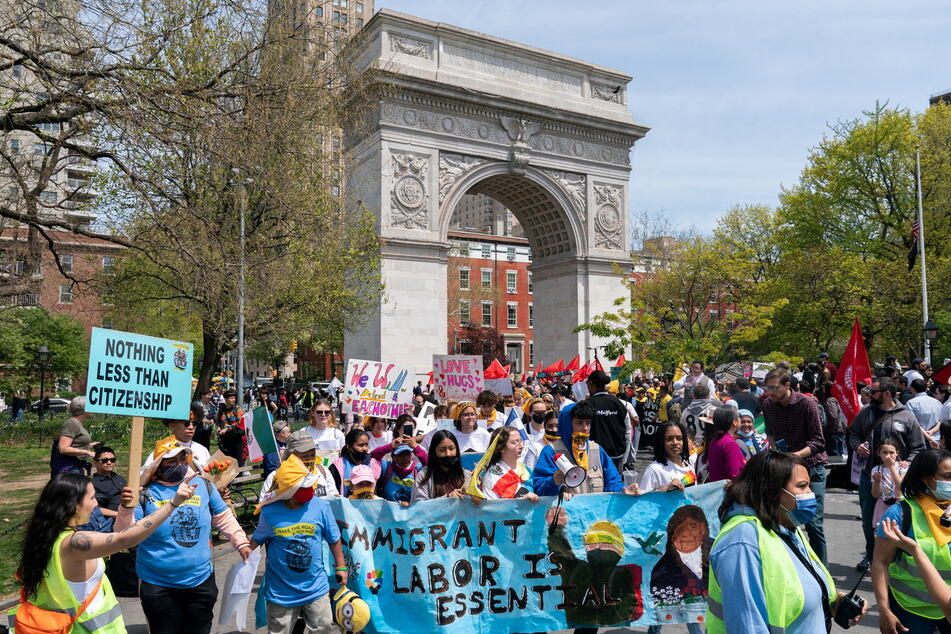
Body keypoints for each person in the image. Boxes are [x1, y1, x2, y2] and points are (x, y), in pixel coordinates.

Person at [14, 472, 202, 633]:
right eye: (91, 498)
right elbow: (124, 539)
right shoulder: (74, 543)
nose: (96, 504)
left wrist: (125, 509)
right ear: (74, 504)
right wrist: (173, 504)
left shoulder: (45, 538)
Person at [707, 451, 866, 633]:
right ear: (771, 491)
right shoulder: (742, 542)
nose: (810, 493)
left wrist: (835, 602)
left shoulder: (786, 524)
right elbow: (748, 625)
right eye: (802, 486)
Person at [114, 438, 252, 634]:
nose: (179, 464)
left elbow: (224, 517)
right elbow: (125, 536)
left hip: (200, 581)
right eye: (171, 461)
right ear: (158, 465)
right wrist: (126, 509)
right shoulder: (144, 494)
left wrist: (242, 543)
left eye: (182, 459)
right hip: (158, 584)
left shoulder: (203, 485)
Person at [251, 455, 347, 634]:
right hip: (281, 592)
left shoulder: (320, 507)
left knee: (324, 627)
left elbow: (334, 538)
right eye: (303, 486)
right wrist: (244, 552)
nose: (309, 489)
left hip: (315, 587)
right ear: (289, 490)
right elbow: (257, 540)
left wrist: (341, 567)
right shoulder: (269, 512)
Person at [848, 376, 927, 571]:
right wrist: (858, 446)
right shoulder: (866, 413)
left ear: (887, 394)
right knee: (869, 521)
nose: (868, 394)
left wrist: (904, 467)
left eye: (873, 392)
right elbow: (853, 434)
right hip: (871, 477)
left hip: (899, 482)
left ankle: (895, 558)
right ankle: (870, 555)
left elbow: (919, 447)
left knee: (898, 521)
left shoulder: (906, 416)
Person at [872, 449, 951, 634]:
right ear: (927, 479)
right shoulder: (899, 514)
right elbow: (880, 563)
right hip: (910, 610)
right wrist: (884, 610)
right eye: (947, 476)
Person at [762, 367, 829, 565]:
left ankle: (822, 573)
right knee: (784, 521)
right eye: (768, 388)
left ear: (787, 385)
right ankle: (796, 565)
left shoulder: (807, 404)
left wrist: (795, 457)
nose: (770, 392)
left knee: (813, 523)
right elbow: (770, 432)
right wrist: (775, 450)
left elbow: (818, 442)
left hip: (811, 468)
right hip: (784, 471)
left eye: (774, 388)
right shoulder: (768, 404)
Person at [532, 401, 639, 497]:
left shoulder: (597, 450)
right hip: (565, 516)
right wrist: (553, 481)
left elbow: (612, 482)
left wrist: (624, 489)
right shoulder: (550, 451)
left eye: (588, 423)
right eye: (579, 423)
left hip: (596, 516)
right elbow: (539, 489)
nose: (585, 428)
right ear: (567, 424)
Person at [880, 517, 951, 622]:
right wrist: (884, 609)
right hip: (908, 608)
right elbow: (881, 562)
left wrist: (916, 552)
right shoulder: (901, 512)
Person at [261, 430, 336, 503]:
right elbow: (264, 507)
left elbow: (334, 498)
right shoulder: (275, 477)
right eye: (305, 456)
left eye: (312, 455)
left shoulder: (323, 471)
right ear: (291, 455)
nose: (310, 459)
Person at [469, 426, 538, 501]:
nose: (521, 446)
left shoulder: (525, 469)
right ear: (501, 448)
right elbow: (494, 507)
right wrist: (522, 499)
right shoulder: (493, 474)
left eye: (520, 441)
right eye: (514, 442)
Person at [585, 370, 630, 471]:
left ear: (591, 383)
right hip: (617, 455)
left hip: (594, 456)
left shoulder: (587, 405)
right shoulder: (619, 403)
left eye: (587, 383)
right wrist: (625, 458)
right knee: (615, 485)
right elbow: (627, 432)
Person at [144, 405, 213, 472]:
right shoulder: (163, 448)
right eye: (186, 423)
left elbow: (210, 475)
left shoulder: (202, 450)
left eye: (195, 423)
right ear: (172, 425)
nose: (191, 427)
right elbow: (144, 474)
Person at [412, 430, 471, 502]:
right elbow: (418, 506)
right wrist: (447, 498)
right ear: (434, 452)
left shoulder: (466, 475)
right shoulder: (424, 476)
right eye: (442, 450)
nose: (448, 454)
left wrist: (473, 497)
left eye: (451, 449)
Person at [639, 421, 697, 493]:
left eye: (679, 438)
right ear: (661, 442)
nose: (675, 442)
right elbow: (643, 500)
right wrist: (666, 488)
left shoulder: (689, 467)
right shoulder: (654, 470)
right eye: (669, 439)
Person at [370, 434, 427, 505]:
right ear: (393, 456)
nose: (405, 457)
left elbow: (431, 466)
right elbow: (371, 456)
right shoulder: (386, 467)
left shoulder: (418, 469)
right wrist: (389, 446)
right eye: (401, 454)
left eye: (407, 453)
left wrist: (416, 448)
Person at [50, 396, 98, 476]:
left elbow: (73, 444)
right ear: (83, 410)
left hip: (74, 467)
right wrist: (87, 452)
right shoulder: (71, 424)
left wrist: (89, 445)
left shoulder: (77, 423)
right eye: (90, 406)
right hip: (68, 470)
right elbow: (63, 448)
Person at [701, 405, 746, 483]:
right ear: (734, 422)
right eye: (738, 417)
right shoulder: (730, 444)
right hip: (729, 491)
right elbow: (734, 475)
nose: (740, 419)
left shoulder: (715, 440)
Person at [329, 429, 380, 497]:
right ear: (349, 446)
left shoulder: (373, 464)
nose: (365, 448)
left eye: (366, 445)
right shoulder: (337, 467)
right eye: (361, 445)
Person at [871, 439, 907, 528]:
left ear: (897, 453)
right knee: (882, 532)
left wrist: (892, 467)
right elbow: (875, 495)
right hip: (883, 505)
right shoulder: (876, 469)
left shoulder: (902, 467)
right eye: (884, 452)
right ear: (879, 453)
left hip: (899, 505)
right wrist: (877, 482)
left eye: (891, 452)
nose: (888, 455)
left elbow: (900, 486)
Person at [91, 446, 126, 532]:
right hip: (108, 525)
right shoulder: (93, 484)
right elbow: (94, 508)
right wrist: (118, 515)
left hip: (127, 519)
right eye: (105, 460)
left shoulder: (120, 479)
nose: (109, 462)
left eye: (112, 460)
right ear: (95, 463)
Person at [215, 389, 247, 467]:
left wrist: (227, 428)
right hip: (225, 438)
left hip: (236, 437)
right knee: (226, 459)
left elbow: (240, 423)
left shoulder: (237, 409)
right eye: (231, 398)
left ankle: (238, 476)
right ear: (225, 399)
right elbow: (218, 420)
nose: (233, 400)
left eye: (234, 398)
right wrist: (219, 427)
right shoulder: (222, 408)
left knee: (237, 459)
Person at [907, 379, 944, 447]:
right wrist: (931, 432)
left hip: (921, 439)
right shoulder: (937, 402)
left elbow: (914, 424)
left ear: (913, 389)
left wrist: (928, 437)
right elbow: (941, 421)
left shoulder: (910, 403)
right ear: (926, 389)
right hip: (937, 438)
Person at [521, 397, 550, 471]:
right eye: (537, 412)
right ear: (530, 413)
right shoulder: (522, 430)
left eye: (543, 412)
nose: (541, 415)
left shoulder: (550, 430)